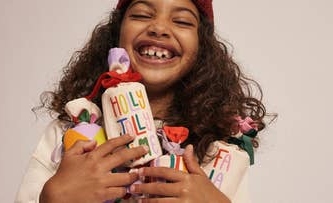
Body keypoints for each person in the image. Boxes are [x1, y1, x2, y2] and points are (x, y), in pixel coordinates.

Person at [16, 0, 267, 202]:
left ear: (203, 48)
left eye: (181, 20)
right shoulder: (69, 132)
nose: (159, 27)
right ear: (116, 34)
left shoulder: (219, 151)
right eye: (142, 15)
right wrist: (54, 198)